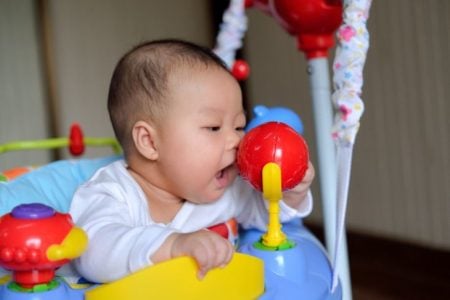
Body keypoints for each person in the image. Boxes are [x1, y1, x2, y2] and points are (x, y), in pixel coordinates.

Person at [69, 39, 315, 283]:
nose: (236, 140)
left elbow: (264, 214)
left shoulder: (226, 190)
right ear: (150, 142)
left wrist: (290, 191)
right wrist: (174, 244)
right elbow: (92, 252)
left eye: (239, 126)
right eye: (213, 127)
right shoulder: (112, 192)